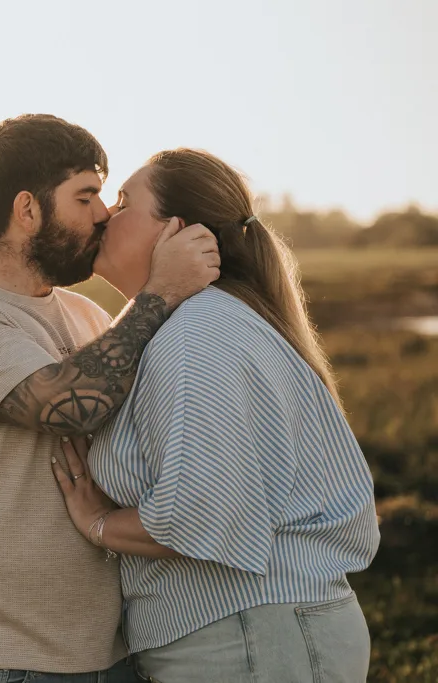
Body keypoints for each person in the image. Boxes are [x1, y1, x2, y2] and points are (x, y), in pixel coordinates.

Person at [0, 115, 220, 683]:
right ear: (28, 210)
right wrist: (159, 291)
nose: (103, 214)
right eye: (86, 196)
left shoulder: (89, 316)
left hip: (114, 656)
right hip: (4, 663)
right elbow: (75, 402)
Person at [51, 149, 381, 683]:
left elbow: (201, 509)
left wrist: (98, 524)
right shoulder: (196, 325)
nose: (106, 216)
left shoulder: (198, 331)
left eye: (125, 202)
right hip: (247, 637)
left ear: (175, 232)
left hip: (250, 639)